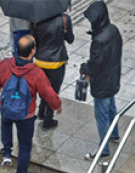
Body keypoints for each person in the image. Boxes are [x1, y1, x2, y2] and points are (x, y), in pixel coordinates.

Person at [0, 35, 63, 173]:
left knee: (5, 125)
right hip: (25, 115)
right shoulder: (36, 73)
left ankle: (6, 152)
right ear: (32, 51)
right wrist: (57, 105)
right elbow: (48, 93)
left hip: (6, 108)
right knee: (25, 147)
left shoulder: (3, 65)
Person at [80, 1, 123, 164]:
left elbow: (95, 64)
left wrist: (85, 68)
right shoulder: (113, 31)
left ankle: (104, 150)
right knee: (111, 107)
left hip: (102, 83)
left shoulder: (99, 40)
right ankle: (115, 134)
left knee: (102, 115)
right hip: (113, 78)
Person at [32, 9, 74, 130]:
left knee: (43, 87)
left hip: (40, 60)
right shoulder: (65, 19)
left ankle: (40, 112)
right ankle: (48, 119)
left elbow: (33, 38)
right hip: (57, 62)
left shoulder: (36, 19)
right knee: (54, 90)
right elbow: (70, 39)